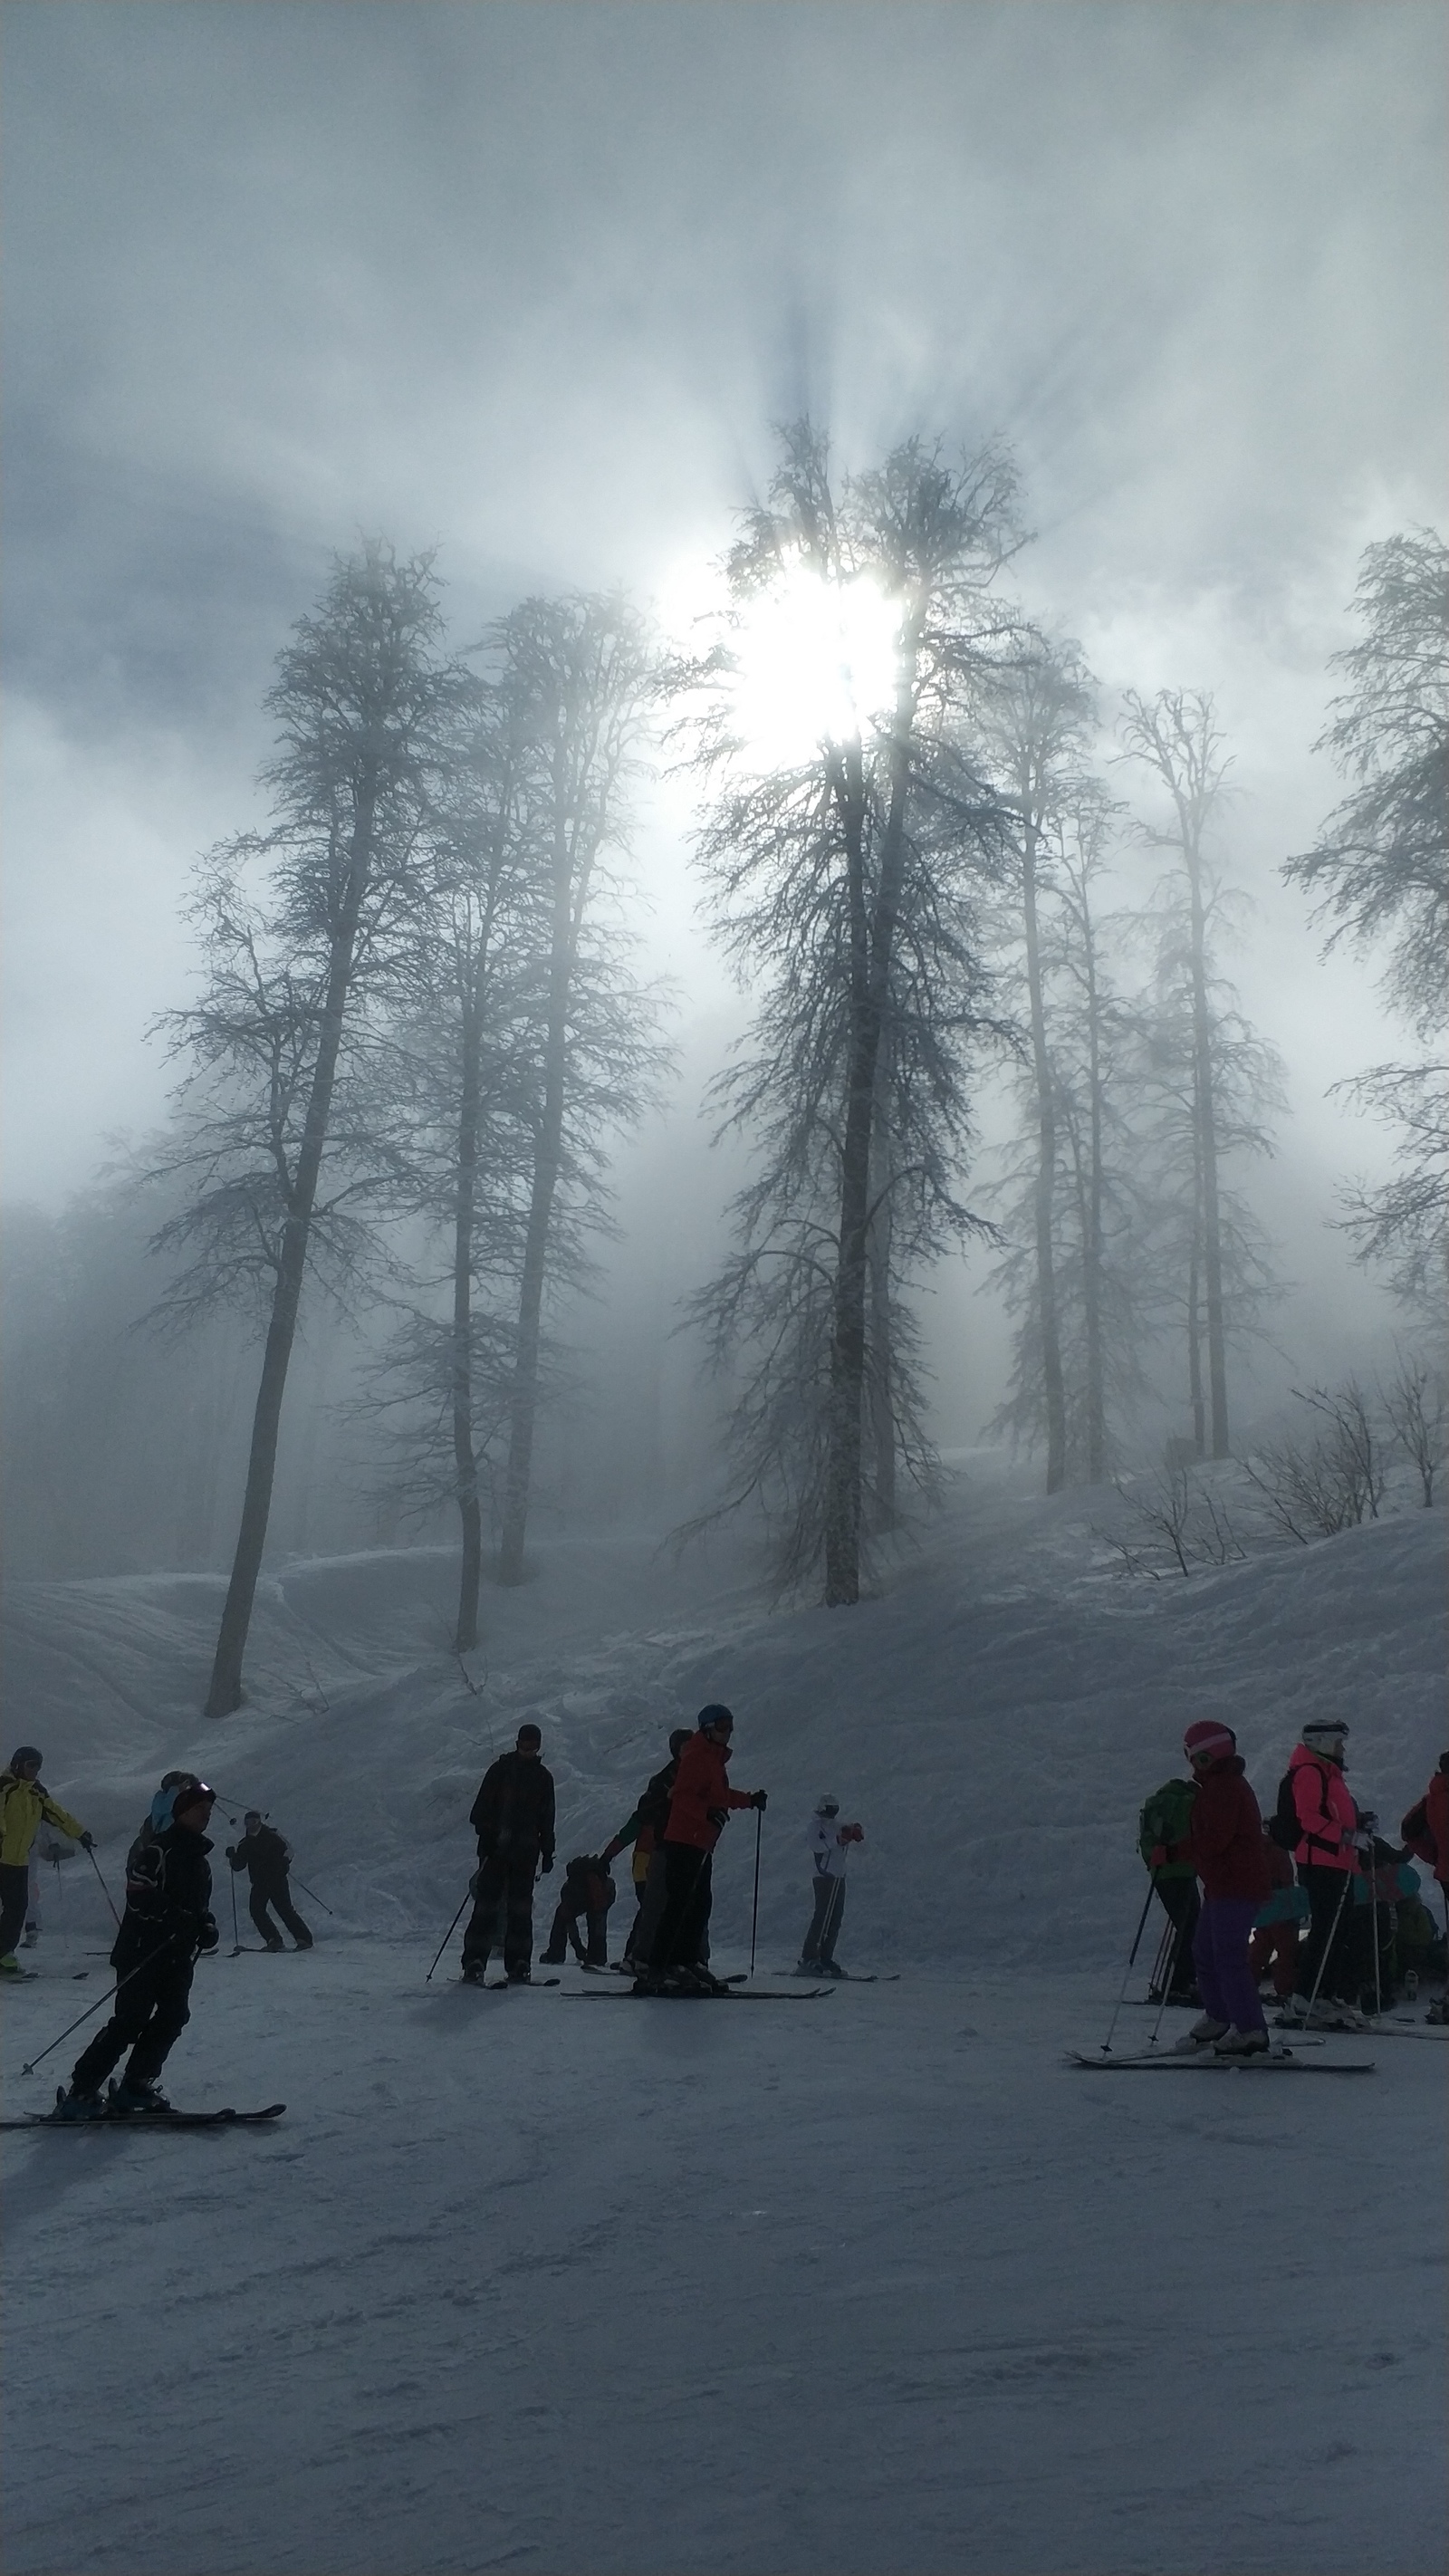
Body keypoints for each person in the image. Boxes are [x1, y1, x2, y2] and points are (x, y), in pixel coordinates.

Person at [59, 1778, 220, 2117]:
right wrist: (176, 1918)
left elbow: (199, 1907)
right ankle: (82, 2090)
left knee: (174, 2015)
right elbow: (138, 1892)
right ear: (181, 1813)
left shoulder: (201, 1862)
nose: (205, 1815)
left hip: (177, 1954)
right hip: (142, 1950)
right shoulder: (159, 1850)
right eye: (198, 1809)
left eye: (208, 1810)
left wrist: (205, 1926)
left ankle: (137, 2083)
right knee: (130, 2020)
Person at [638, 1705, 766, 1994]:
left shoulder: (714, 1760)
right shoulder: (697, 1757)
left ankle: (686, 1962)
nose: (728, 1732)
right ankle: (660, 1967)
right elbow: (683, 1798)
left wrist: (749, 1800)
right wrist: (707, 1814)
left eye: (730, 1725)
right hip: (683, 1841)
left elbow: (719, 1797)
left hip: (700, 1843)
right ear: (707, 1727)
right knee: (679, 1905)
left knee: (698, 1904)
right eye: (722, 1725)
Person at [1169, 1720, 1273, 2056]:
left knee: (1228, 1956)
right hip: (1221, 1885)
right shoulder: (1215, 1786)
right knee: (1204, 1951)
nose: (1191, 1764)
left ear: (1207, 1756)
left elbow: (1213, 1841)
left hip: (1237, 1885)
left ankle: (1251, 2030)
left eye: (1194, 1756)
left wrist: (1172, 1851)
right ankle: (1218, 2016)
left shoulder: (1225, 1788)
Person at [1280, 1718, 1366, 2022]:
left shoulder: (1331, 1774)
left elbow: (1334, 1814)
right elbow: (1309, 1819)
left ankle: (1325, 1994)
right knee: (1325, 1931)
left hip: (1339, 1862)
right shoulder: (1309, 1772)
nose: (1343, 1749)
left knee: (1338, 1931)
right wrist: (1347, 1836)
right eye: (1339, 1743)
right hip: (1319, 1862)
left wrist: (1359, 1823)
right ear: (1324, 1743)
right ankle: (1305, 1996)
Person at [461, 1721, 555, 1985]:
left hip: (526, 1855)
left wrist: (548, 1851)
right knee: (486, 1907)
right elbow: (478, 1813)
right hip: (496, 1852)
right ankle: (474, 1961)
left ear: (538, 1746)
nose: (528, 1750)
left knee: (520, 1910)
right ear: (517, 1744)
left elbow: (547, 1819)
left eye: (532, 1746)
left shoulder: (543, 1777)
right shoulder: (500, 1771)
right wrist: (490, 1835)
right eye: (524, 1745)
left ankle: (519, 1962)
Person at [601, 1728, 692, 1975]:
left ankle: (661, 1956)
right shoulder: (662, 1784)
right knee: (651, 1908)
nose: (689, 1751)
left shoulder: (694, 1777)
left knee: (665, 1909)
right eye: (684, 1746)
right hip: (646, 1861)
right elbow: (630, 1829)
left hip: (676, 1856)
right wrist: (608, 1856)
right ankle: (635, 1956)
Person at [0, 1747, 93, 1977]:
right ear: (18, 1764)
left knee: (17, 1908)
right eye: (31, 1765)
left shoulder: (36, 1792)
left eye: (38, 1766)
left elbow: (56, 1813)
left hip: (18, 1861)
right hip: (1, 1855)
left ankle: (4, 1955)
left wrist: (80, 1833)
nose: (34, 1771)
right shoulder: (4, 1786)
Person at [1138, 1773, 1201, 2004]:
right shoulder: (1189, 1802)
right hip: (1181, 1870)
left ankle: (1177, 1982)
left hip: (1162, 1871)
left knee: (1187, 1926)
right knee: (1191, 1927)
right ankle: (1178, 1984)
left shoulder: (1161, 1801)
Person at [226, 1811, 313, 1951]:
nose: (251, 1826)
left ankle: (303, 1938)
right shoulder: (245, 1843)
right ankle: (274, 1940)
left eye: (253, 1822)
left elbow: (289, 1850)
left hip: (276, 1879)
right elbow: (238, 1866)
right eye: (247, 1823)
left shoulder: (272, 1835)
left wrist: (283, 1864)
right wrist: (232, 1856)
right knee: (256, 1910)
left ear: (259, 1821)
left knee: (284, 1909)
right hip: (259, 1882)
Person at [797, 1796, 864, 1976]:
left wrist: (853, 1830)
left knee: (835, 1917)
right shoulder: (815, 1826)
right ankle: (809, 1957)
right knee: (822, 1916)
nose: (832, 1812)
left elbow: (844, 1831)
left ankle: (826, 1956)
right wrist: (837, 1840)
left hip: (839, 1876)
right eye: (829, 1808)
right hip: (824, 1876)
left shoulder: (835, 1824)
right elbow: (817, 1846)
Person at [1247, 1827, 1309, 2003]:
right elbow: (1286, 1879)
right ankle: (1285, 1989)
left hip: (1262, 1903)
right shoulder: (1278, 1851)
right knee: (1286, 1950)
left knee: (1260, 1945)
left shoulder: (1256, 1849)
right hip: (1282, 1904)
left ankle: (1248, 1983)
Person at [540, 1855, 616, 1967]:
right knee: (591, 1918)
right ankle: (596, 1955)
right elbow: (569, 1918)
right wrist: (578, 1947)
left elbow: (571, 1918)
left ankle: (556, 1954)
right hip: (594, 1895)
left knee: (592, 1917)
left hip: (598, 1895)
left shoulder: (597, 1890)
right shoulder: (571, 1890)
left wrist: (578, 1948)